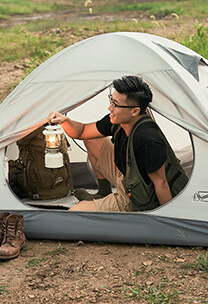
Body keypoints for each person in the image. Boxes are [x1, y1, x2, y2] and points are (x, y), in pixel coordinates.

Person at [47, 75, 186, 213]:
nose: (109, 108)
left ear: (135, 111)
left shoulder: (148, 139)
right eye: (111, 101)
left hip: (137, 195)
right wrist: (64, 120)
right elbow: (82, 131)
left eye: (115, 104)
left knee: (75, 212)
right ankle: (103, 192)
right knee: (91, 138)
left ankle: (118, 205)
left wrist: (169, 222)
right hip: (127, 177)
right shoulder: (118, 121)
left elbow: (161, 184)